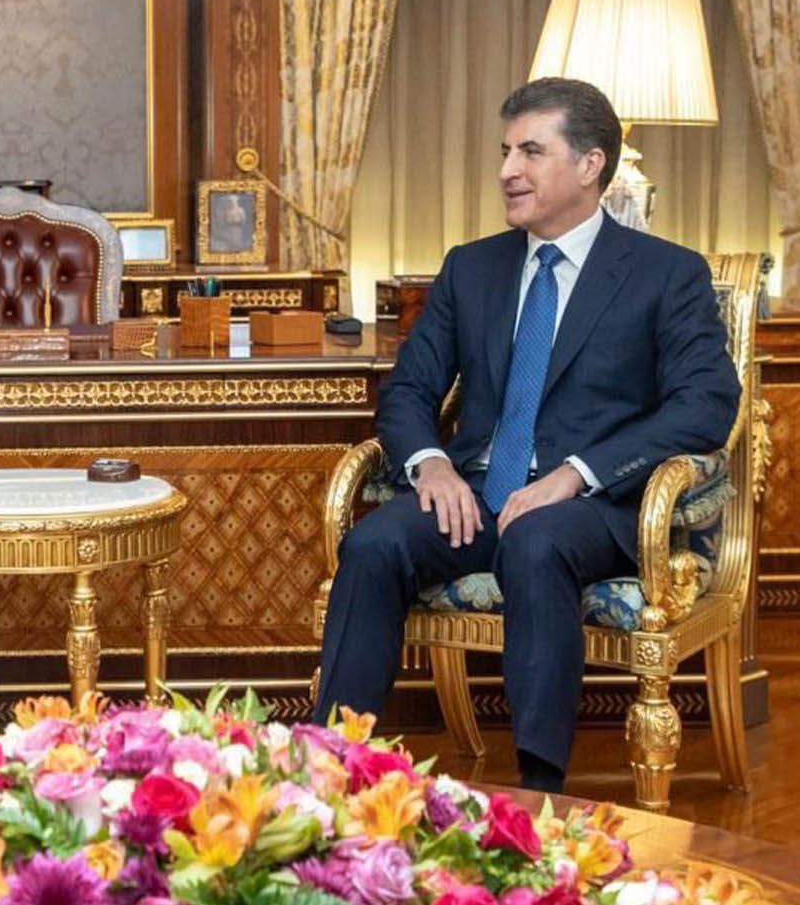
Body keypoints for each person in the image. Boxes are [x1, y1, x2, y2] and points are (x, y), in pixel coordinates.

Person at [312, 78, 739, 793]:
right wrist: (431, 466)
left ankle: (539, 791)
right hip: (477, 493)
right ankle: (327, 770)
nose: (508, 169)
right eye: (506, 151)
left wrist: (576, 473)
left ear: (590, 164)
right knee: (375, 543)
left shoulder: (666, 274)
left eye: (531, 152)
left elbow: (706, 403)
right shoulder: (471, 267)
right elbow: (409, 388)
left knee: (536, 542)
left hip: (595, 505)